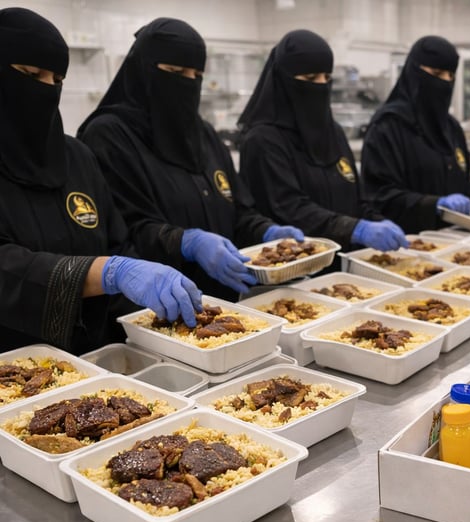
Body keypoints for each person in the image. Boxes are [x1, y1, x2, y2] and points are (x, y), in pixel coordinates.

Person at [0, 7, 202, 354]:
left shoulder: (76, 157)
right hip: (14, 368)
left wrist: (158, 328)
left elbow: (116, 244)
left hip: (97, 360)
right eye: (31, 74)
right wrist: (105, 272)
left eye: (57, 80)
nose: (46, 89)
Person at [78, 18, 304, 302]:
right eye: (175, 72)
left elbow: (237, 211)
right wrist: (185, 242)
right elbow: (123, 230)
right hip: (156, 308)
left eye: (196, 75)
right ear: (142, 69)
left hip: (226, 307)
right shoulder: (110, 135)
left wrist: (266, 230)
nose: (187, 82)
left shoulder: (203, 134)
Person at [237, 29, 408, 252]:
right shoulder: (263, 140)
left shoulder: (333, 133)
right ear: (283, 80)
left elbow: (355, 199)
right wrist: (355, 229)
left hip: (347, 264)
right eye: (310, 79)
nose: (321, 85)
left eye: (327, 78)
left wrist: (376, 221)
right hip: (297, 266)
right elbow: (289, 208)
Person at [361, 35, 470, 234]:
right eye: (437, 74)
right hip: (406, 241)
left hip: (454, 238)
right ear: (414, 72)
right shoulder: (387, 127)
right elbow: (380, 195)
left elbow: (456, 183)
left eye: (450, 75)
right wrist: (433, 205)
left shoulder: (450, 127)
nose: (445, 82)